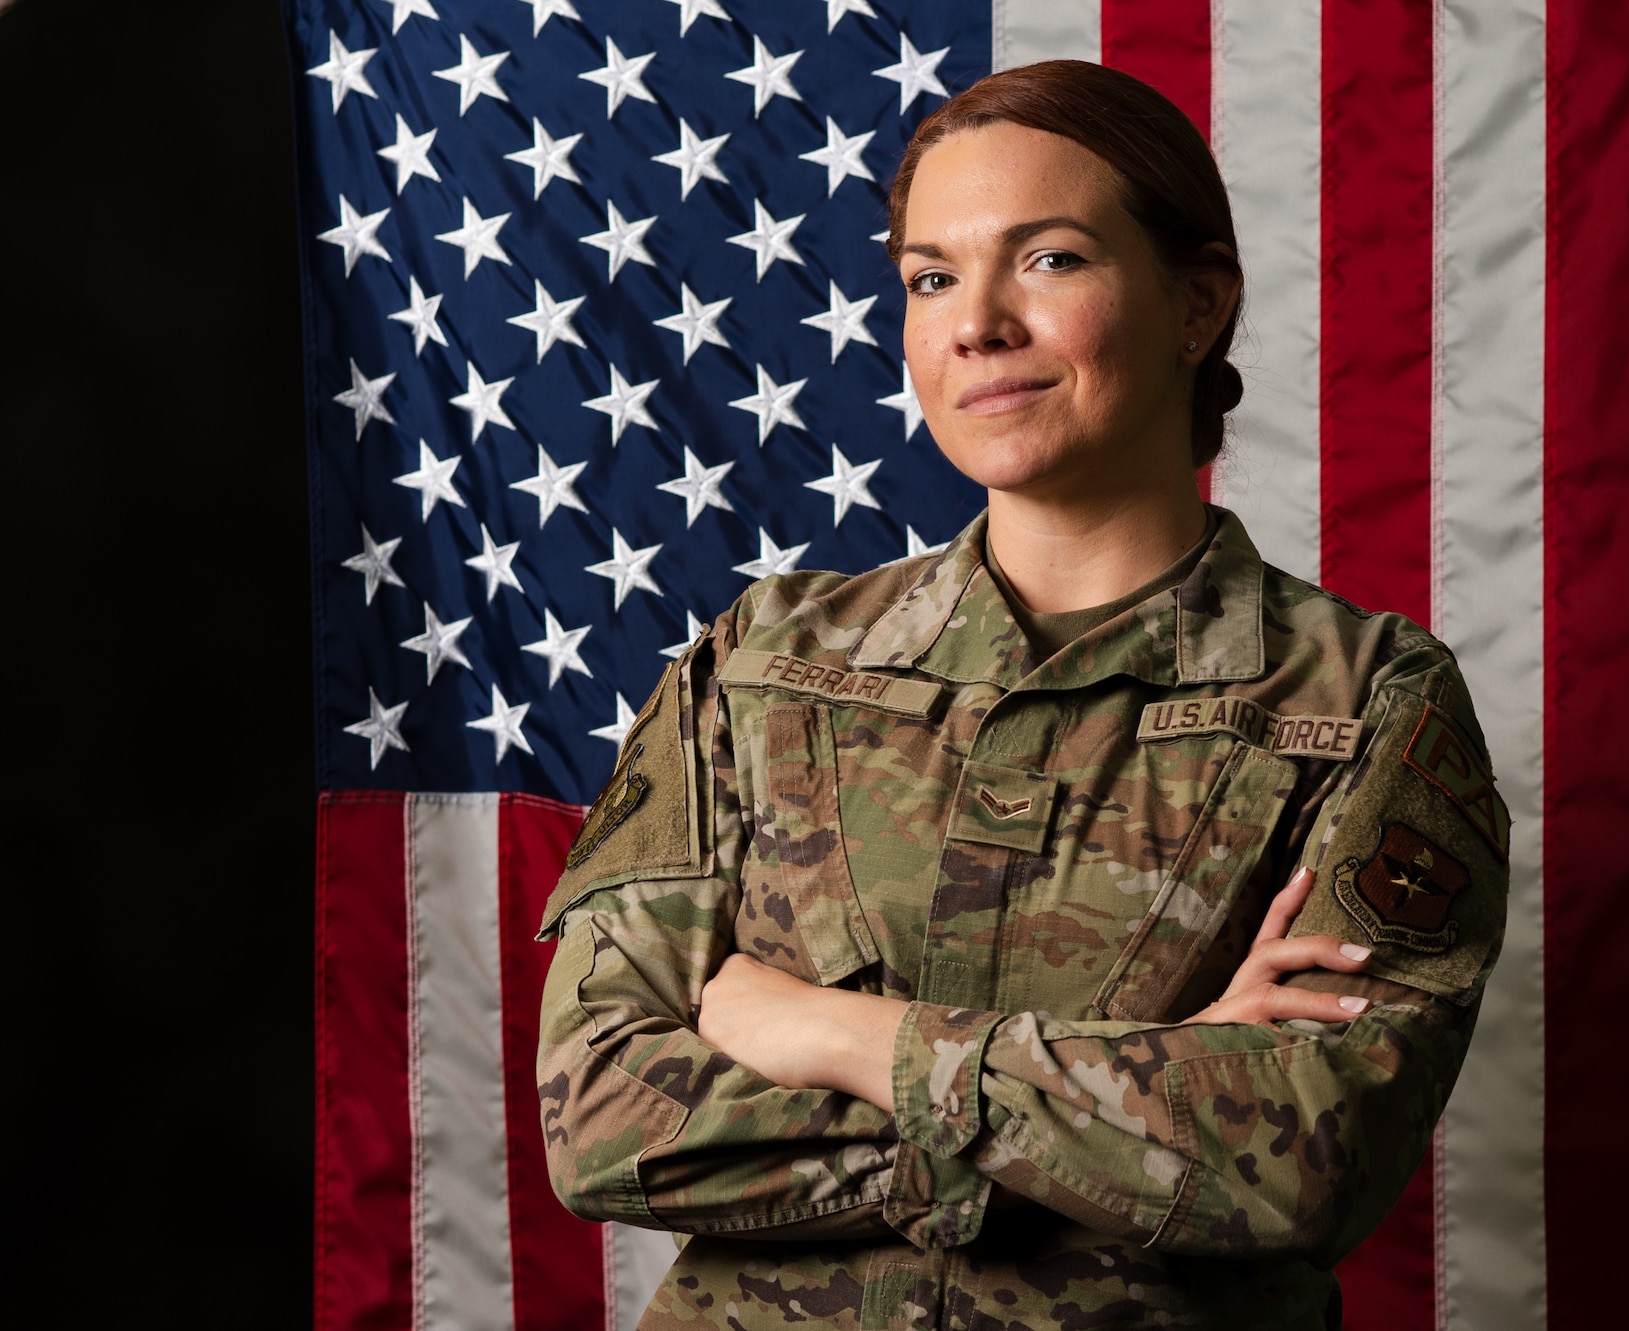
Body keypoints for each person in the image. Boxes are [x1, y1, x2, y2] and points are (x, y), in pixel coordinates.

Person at [535, 60, 1509, 1331]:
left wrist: (828, 1031)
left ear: (1195, 304)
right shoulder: (761, 660)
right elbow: (599, 1114)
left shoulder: (1363, 699)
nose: (975, 323)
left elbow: (1297, 1158)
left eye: (1047, 260)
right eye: (930, 276)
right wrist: (1135, 1094)